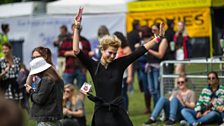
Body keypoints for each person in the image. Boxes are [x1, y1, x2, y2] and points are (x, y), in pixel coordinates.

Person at [72, 9, 165, 126]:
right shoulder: (93, 65)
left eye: (114, 53)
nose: (112, 56)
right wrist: (76, 27)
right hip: (101, 113)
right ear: (102, 50)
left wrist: (157, 38)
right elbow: (76, 50)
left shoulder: (120, 64)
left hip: (118, 112)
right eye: (109, 52)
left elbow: (140, 51)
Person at [25, 57, 64, 126]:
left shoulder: (46, 80)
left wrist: (30, 91)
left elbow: (39, 99)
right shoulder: (58, 79)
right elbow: (47, 95)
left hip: (46, 118)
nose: (35, 74)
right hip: (54, 117)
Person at [58, 24, 91, 88]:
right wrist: (70, 53)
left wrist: (81, 54)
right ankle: (69, 98)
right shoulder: (66, 40)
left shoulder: (85, 41)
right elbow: (60, 52)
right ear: (72, 29)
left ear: (81, 30)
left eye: (78, 28)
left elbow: (88, 53)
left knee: (83, 90)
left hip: (82, 69)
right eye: (75, 28)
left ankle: (81, 98)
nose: (76, 30)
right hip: (68, 69)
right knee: (66, 89)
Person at [146, 23, 168, 107]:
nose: (153, 32)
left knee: (157, 89)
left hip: (158, 67)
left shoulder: (163, 40)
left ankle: (160, 109)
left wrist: (148, 50)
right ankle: (156, 108)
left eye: (154, 30)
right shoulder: (152, 39)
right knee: (151, 90)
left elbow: (160, 54)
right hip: (150, 67)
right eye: (152, 30)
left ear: (159, 30)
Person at [135, 25, 152, 114]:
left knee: (150, 89)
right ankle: (147, 107)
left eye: (140, 32)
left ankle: (150, 107)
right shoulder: (140, 42)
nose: (139, 33)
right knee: (144, 89)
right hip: (140, 68)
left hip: (148, 68)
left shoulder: (150, 42)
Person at [114, 31, 133, 112]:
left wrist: (130, 76)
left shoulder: (127, 49)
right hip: (114, 75)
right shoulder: (114, 49)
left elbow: (130, 64)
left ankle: (125, 110)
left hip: (124, 75)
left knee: (123, 93)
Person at [174, 21, 192, 87]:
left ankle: (175, 87)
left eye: (181, 25)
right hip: (177, 54)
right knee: (182, 73)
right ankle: (190, 85)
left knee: (177, 70)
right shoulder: (176, 35)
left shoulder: (186, 36)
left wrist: (188, 58)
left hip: (183, 54)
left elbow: (189, 48)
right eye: (178, 25)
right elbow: (174, 44)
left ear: (183, 26)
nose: (179, 27)